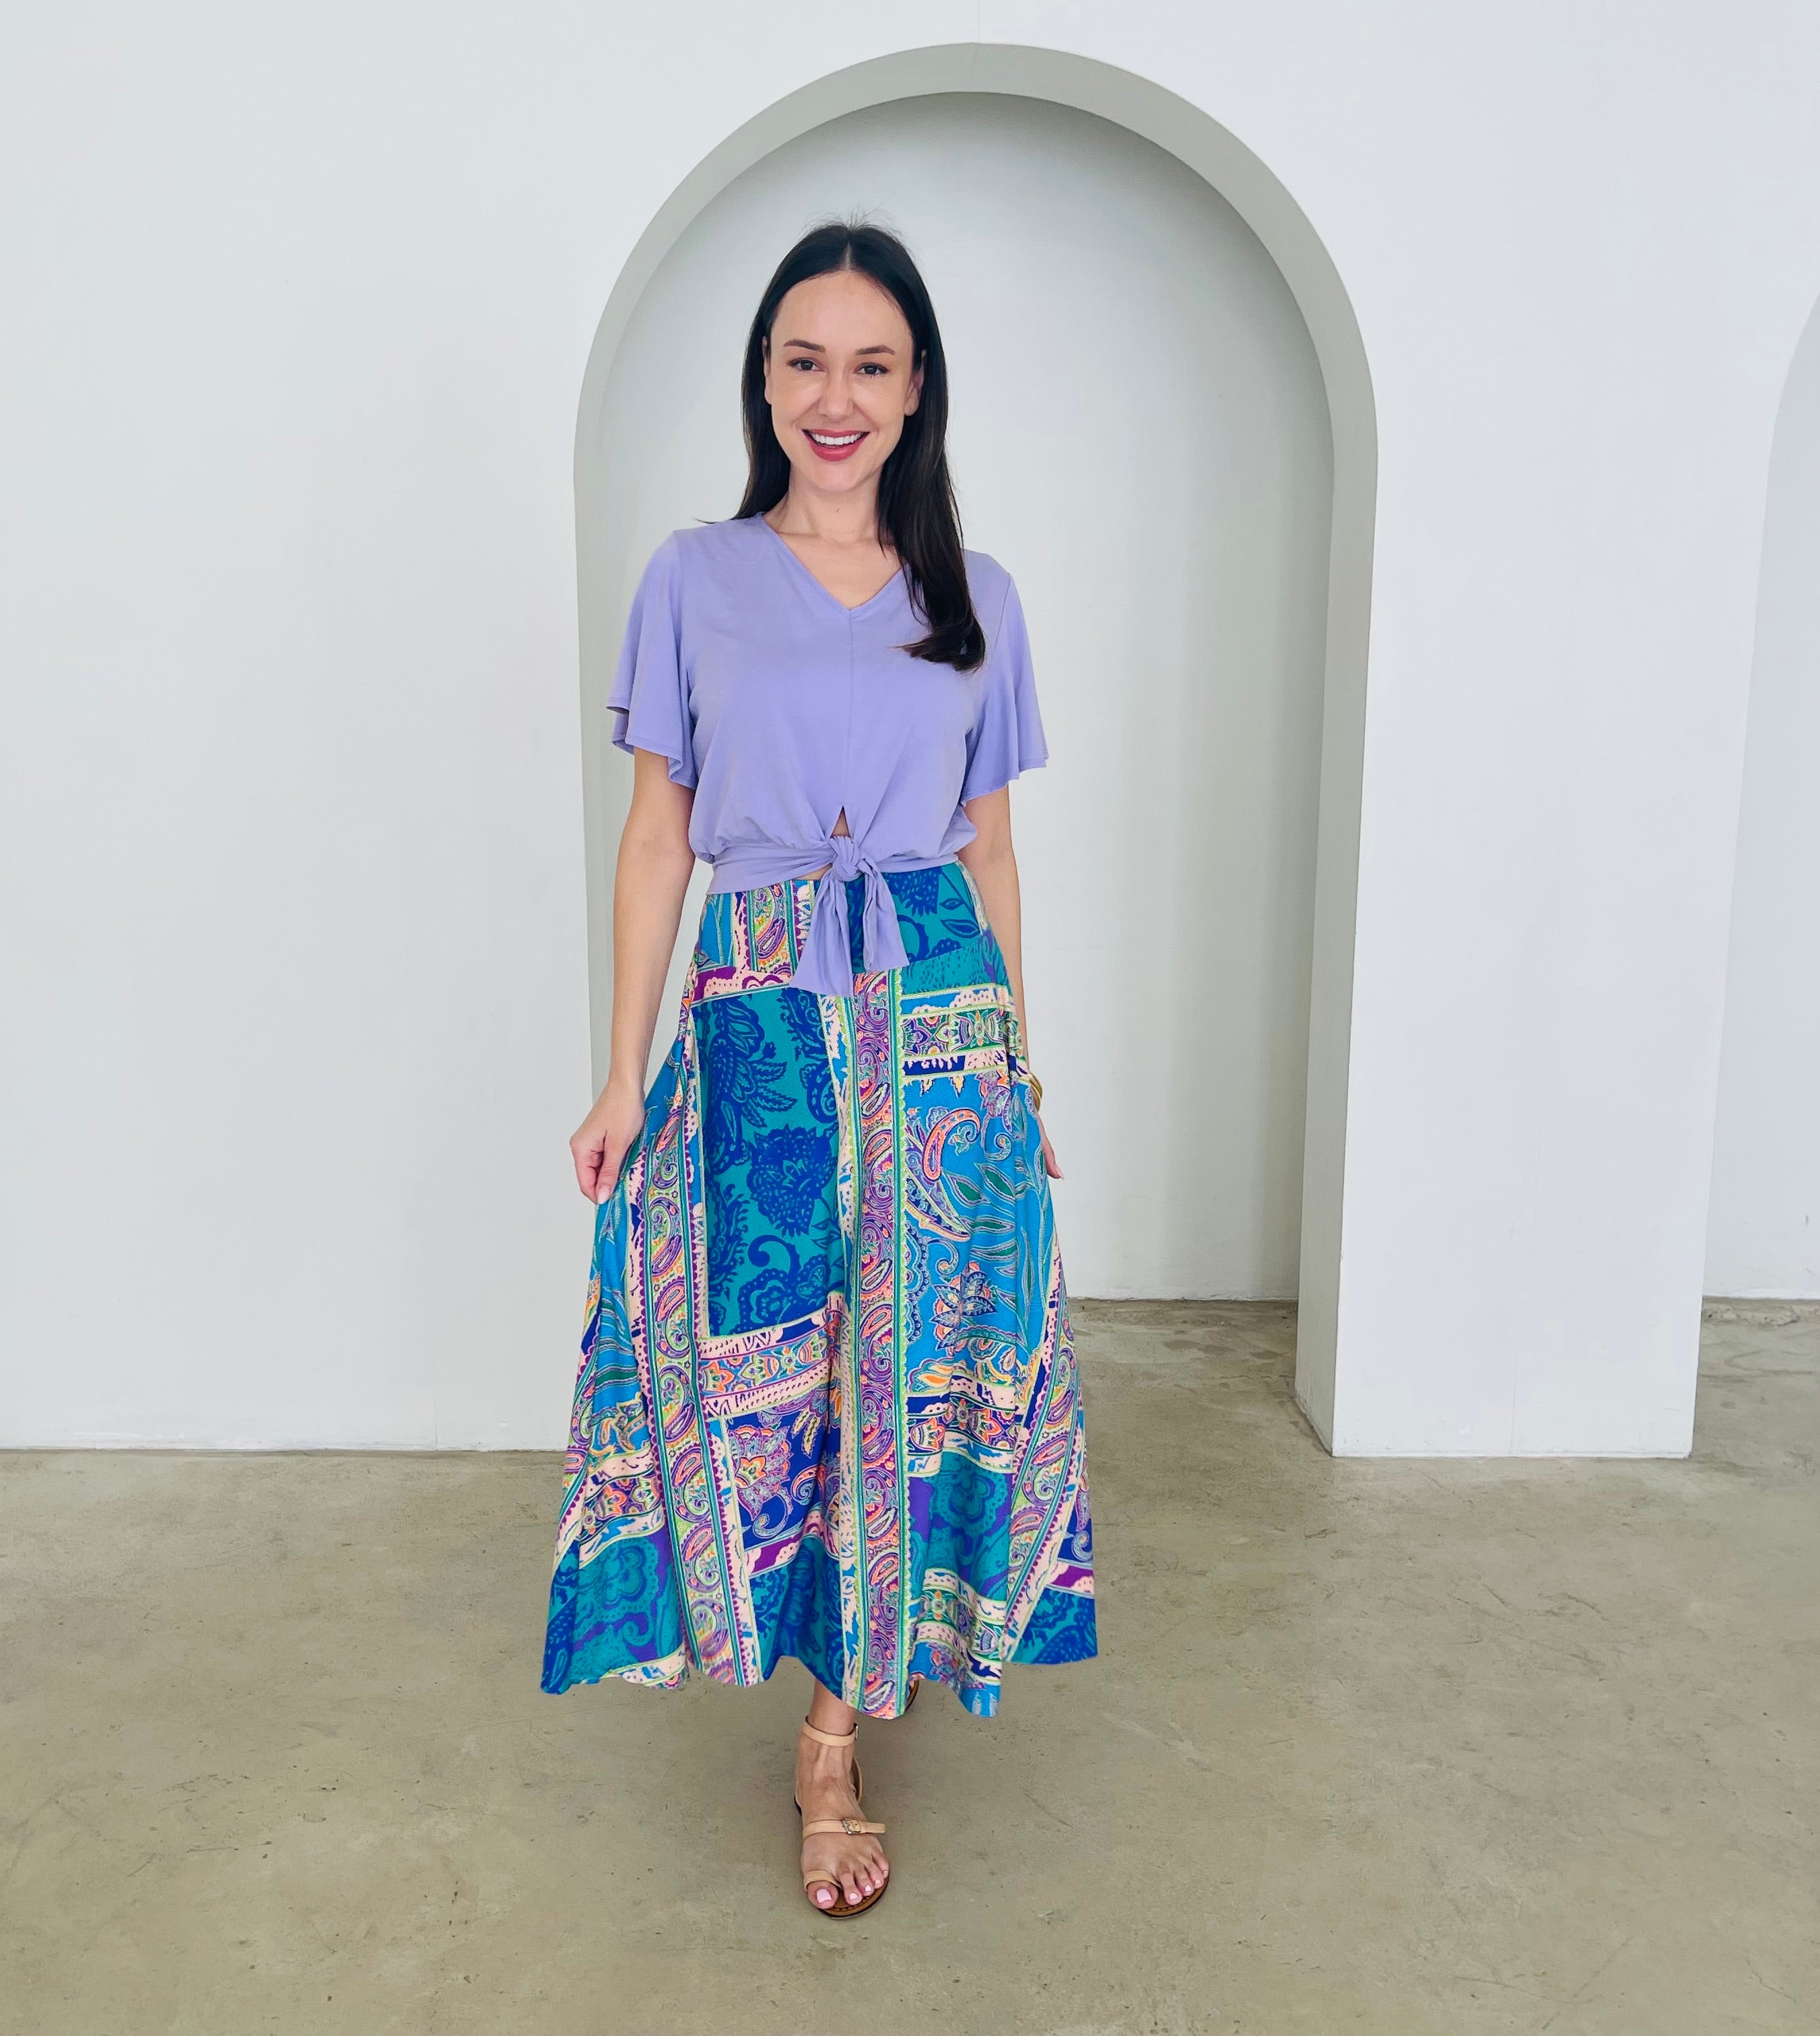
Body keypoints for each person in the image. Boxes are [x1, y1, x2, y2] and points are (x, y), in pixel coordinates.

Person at [540, 219, 1096, 1918]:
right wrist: (621, 1071)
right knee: (764, 1370)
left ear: (917, 389)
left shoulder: (975, 597)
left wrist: (1024, 1060)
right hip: (761, 1015)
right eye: (804, 361)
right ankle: (779, 1640)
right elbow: (659, 842)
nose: (833, 398)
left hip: (934, 1030)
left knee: (914, 1374)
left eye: (870, 364)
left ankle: (835, 1747)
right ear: (764, 383)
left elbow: (989, 856)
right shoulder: (694, 579)